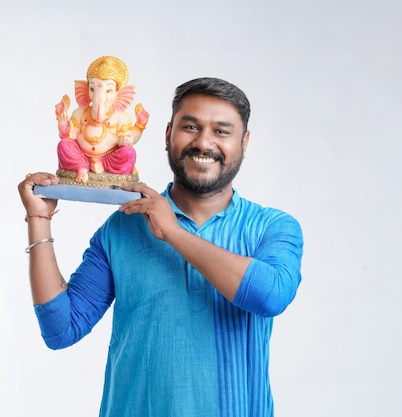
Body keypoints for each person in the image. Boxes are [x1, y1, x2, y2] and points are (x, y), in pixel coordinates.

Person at [18, 77, 303, 417]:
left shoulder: (272, 227)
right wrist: (39, 217)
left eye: (222, 131)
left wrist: (173, 232)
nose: (203, 142)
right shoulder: (123, 227)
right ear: (168, 134)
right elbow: (61, 329)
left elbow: (270, 296)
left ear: (244, 142)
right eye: (191, 127)